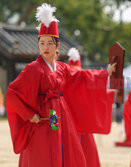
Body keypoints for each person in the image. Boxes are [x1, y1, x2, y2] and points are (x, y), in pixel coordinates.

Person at [6, 3, 116, 167]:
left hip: (61, 116)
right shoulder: (33, 69)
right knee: (43, 155)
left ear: (57, 46)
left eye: (50, 43)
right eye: (42, 43)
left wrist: (105, 73)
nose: (45, 47)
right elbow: (12, 93)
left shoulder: (62, 68)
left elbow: (82, 76)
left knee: (66, 152)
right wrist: (28, 114)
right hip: (43, 117)